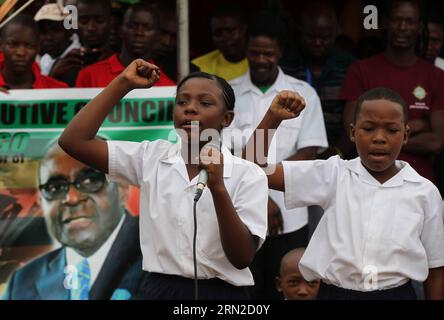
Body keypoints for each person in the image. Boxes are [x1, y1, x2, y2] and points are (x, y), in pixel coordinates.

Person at [58, 59, 270, 300]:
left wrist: (218, 188)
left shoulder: (248, 174)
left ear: (227, 119)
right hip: (160, 289)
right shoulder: (151, 158)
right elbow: (73, 141)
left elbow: (242, 258)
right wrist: (123, 84)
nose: (190, 108)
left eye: (205, 103)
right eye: (182, 101)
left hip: (223, 294)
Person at [246, 87, 444, 300]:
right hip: (335, 293)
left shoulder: (424, 192)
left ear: (405, 135)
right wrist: (272, 118)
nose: (379, 138)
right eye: (368, 128)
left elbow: (435, 269)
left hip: (397, 294)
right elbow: (253, 167)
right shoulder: (332, 174)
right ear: (352, 132)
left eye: (391, 130)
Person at [223, 10, 328, 300]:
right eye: (254, 52)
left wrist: (267, 187)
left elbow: (308, 153)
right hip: (240, 215)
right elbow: (220, 155)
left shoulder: (301, 93)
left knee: (287, 288)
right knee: (245, 292)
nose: (260, 59)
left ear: (280, 52)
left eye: (267, 53)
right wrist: (261, 196)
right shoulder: (226, 94)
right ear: (245, 50)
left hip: (290, 216)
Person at [2, 142, 143, 300]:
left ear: (122, 189)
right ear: (41, 201)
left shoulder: (162, 258)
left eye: (90, 180)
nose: (72, 198)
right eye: (55, 188)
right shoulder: (22, 283)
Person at [339, 0, 444, 183]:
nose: (403, 27)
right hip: (364, 182)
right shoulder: (361, 70)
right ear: (385, 23)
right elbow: (354, 134)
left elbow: (436, 142)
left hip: (418, 184)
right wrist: (413, 128)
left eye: (410, 22)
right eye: (397, 20)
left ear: (419, 27)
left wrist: (375, 135)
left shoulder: (436, 77)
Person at [281, 1, 356, 157]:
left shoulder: (349, 66)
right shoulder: (285, 64)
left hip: (339, 153)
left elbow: (356, 120)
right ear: (300, 32)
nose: (317, 43)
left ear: (336, 32)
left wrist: (336, 153)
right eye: (311, 36)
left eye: (325, 37)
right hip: (291, 151)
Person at [75, 3, 175, 88]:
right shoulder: (89, 75)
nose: (139, 32)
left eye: (147, 28)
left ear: (157, 35)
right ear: (120, 30)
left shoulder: (167, 86)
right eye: (132, 26)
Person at [48, 0, 115, 86]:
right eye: (84, 21)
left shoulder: (122, 63)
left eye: (99, 20)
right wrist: (53, 76)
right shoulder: (65, 65)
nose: (91, 27)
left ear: (111, 21)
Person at [0, 14, 68, 89]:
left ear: (38, 47)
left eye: (29, 46)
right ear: (1, 45)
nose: (21, 53)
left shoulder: (58, 91)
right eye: (13, 45)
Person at [191, 4, 248, 81]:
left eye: (230, 31)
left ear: (244, 30)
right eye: (218, 33)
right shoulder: (198, 67)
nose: (225, 38)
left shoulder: (260, 62)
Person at [34, 3, 81, 77]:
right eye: (43, 31)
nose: (49, 37)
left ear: (69, 31)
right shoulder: (45, 59)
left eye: (55, 30)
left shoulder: (78, 58)